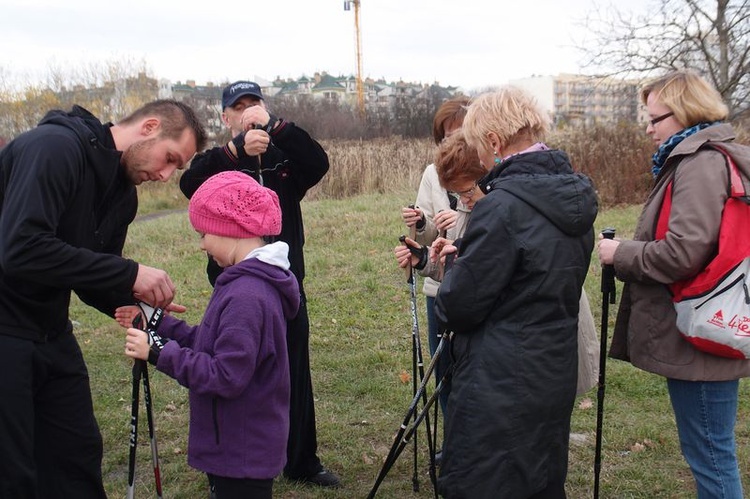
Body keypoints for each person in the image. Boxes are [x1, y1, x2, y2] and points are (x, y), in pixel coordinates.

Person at [0, 99, 207, 499]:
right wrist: (130, 273)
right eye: (169, 159)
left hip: (50, 330)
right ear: (148, 127)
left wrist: (140, 305)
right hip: (5, 330)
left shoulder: (122, 195)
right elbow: (21, 248)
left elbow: (92, 276)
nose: (165, 175)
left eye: (174, 168)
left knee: (77, 454)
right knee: (13, 472)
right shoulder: (54, 148)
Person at [433, 87, 598, 498]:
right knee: (539, 477)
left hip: (500, 379)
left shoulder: (503, 206)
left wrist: (455, 267)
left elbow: (459, 306)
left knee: (488, 480)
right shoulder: (573, 196)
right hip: (552, 366)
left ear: (494, 141)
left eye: (478, 145)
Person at [598, 70, 750, 498]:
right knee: (710, 449)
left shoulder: (700, 163)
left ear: (684, 113)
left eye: (654, 118)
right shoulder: (711, 156)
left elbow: (684, 252)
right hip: (710, 316)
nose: (647, 128)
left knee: (711, 456)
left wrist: (620, 254)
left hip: (700, 327)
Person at [179, 81, 339, 487]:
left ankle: (301, 459)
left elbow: (318, 163)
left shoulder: (284, 158)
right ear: (225, 117)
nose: (248, 112)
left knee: (292, 372)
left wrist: (277, 127)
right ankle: (236, 460)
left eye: (255, 104)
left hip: (285, 284)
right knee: (236, 375)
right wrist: (233, 152)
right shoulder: (220, 160)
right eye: (239, 107)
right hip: (235, 291)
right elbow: (189, 185)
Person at [120, 171, 300, 499]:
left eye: (204, 232)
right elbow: (208, 342)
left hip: (242, 454)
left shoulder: (247, 295)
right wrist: (156, 321)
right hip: (237, 447)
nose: (201, 242)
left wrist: (157, 351)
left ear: (231, 228)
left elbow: (226, 375)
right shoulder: (244, 282)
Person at [396, 132, 599, 400]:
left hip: (533, 348)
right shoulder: (478, 207)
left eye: (467, 191)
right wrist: (427, 259)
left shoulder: (506, 211)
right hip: (507, 353)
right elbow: (479, 271)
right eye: (457, 195)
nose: (463, 200)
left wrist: (459, 264)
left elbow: (499, 277)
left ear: (487, 173)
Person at [399, 97, 469, 421]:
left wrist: (457, 220)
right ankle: (452, 443)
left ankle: (470, 445)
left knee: (469, 367)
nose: (451, 142)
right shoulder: (432, 172)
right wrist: (423, 221)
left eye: (458, 133)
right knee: (442, 371)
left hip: (471, 282)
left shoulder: (487, 173)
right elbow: (423, 237)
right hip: (436, 286)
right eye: (444, 136)